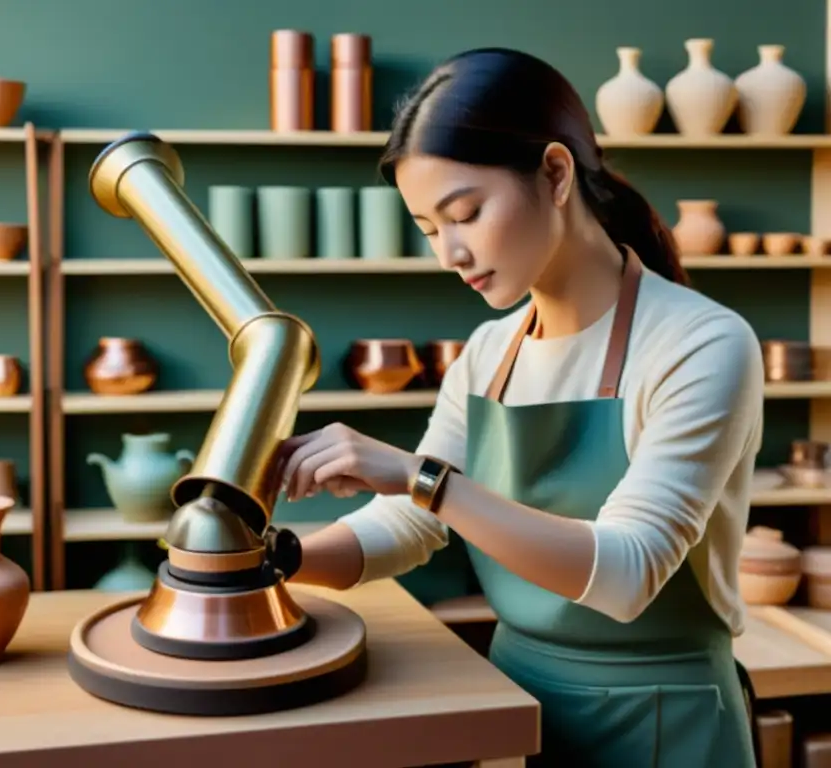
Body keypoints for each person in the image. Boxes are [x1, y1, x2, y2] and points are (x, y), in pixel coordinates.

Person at [278, 47, 764, 767]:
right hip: (514, 703)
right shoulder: (488, 350)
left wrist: (419, 475)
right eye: (428, 228)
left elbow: (628, 574)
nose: (449, 252)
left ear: (556, 174)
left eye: (465, 213)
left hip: (665, 718)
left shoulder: (703, 343)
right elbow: (412, 522)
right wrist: (272, 560)